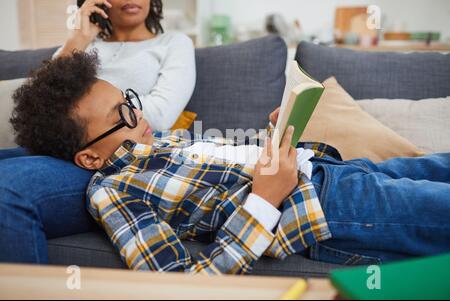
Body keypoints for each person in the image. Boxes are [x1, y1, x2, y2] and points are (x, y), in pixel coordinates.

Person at [6, 52, 450, 273]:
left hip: (336, 170)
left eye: (131, 102)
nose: (138, 115)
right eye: (121, 116)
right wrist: (262, 201)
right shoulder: (113, 190)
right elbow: (182, 283)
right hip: (329, 206)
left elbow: (225, 170)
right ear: (88, 156)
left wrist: (275, 136)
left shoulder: (163, 142)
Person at [0, 0, 195, 263]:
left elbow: (160, 114)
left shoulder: (173, 43)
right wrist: (79, 38)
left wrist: (106, 107)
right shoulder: (85, 45)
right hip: (63, 146)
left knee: (6, 189)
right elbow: (41, 102)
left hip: (113, 155)